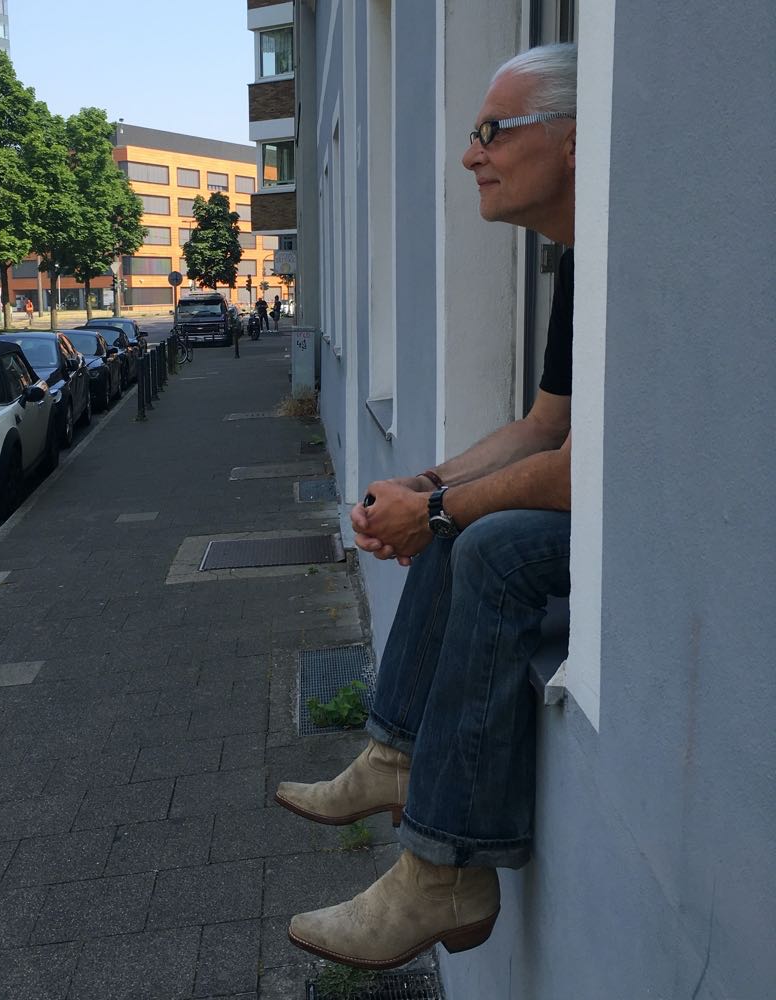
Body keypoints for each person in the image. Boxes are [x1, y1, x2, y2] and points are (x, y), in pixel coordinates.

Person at [276, 42, 577, 969]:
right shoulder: (581, 257)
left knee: (485, 546)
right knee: (465, 520)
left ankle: (444, 868)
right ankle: (396, 759)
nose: (468, 154)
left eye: (491, 130)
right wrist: (430, 486)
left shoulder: (634, 254)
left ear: (571, 138)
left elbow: (588, 471)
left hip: (671, 551)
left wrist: (444, 515)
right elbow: (542, 429)